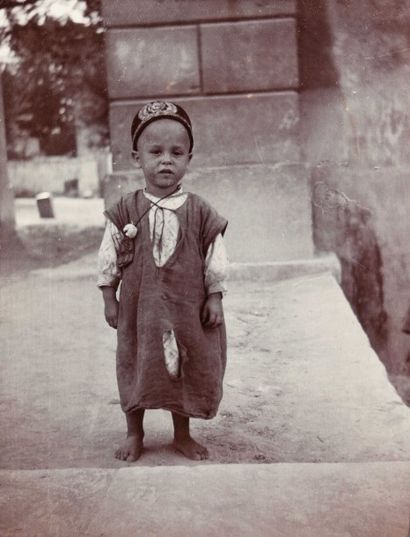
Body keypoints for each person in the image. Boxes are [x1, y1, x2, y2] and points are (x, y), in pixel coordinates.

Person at [97, 100, 228, 462]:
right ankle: (134, 432)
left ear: (189, 157)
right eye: (155, 151)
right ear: (137, 157)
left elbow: (216, 257)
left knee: (182, 364)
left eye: (176, 152)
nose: (166, 160)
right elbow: (108, 255)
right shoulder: (125, 208)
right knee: (135, 363)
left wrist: (214, 297)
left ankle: (182, 434)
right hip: (140, 312)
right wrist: (110, 297)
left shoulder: (200, 210)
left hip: (185, 310)